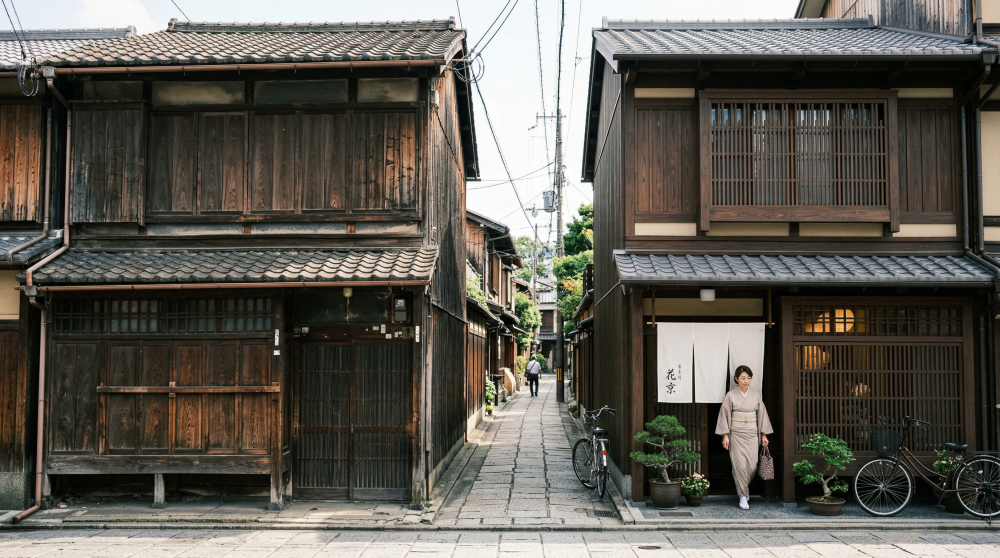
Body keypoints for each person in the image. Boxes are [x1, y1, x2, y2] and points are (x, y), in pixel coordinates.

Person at [715, 365, 773, 510]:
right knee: (739, 466)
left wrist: (764, 434)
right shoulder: (730, 395)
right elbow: (724, 415)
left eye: (749, 378)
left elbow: (762, 415)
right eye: (743, 378)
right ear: (736, 379)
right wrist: (725, 436)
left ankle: (744, 489)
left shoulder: (755, 395)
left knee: (752, 466)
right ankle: (742, 496)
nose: (746, 381)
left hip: (752, 434)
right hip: (736, 434)